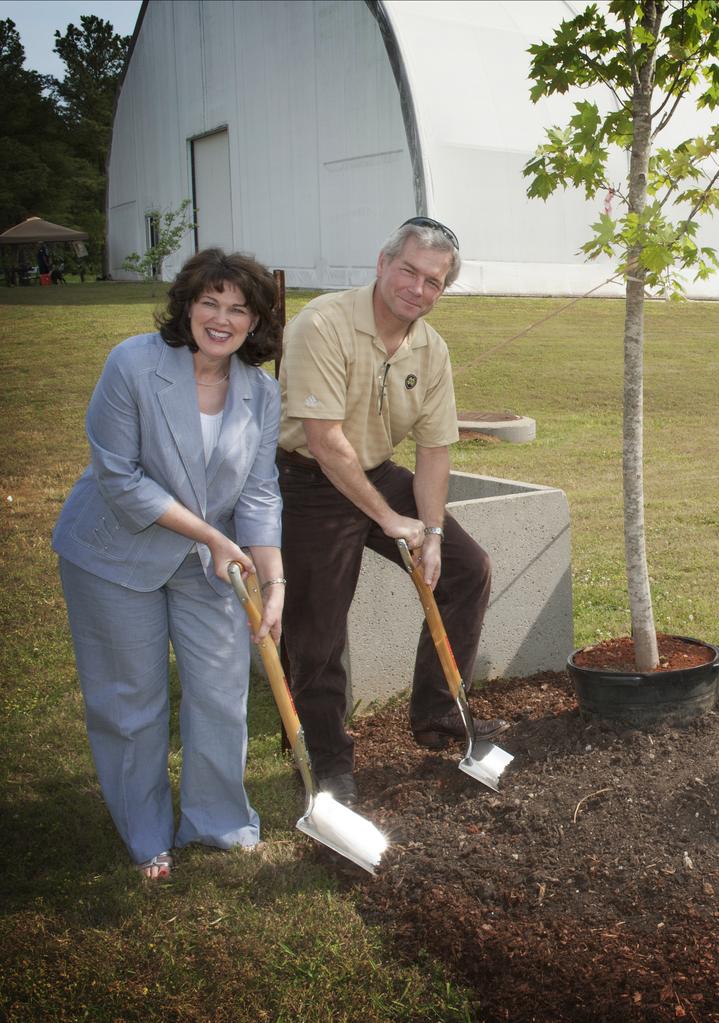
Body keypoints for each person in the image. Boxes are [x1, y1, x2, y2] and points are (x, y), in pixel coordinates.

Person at [54, 249, 284, 880]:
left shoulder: (261, 392)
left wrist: (275, 582)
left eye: (239, 308)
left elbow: (261, 491)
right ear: (186, 305)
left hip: (211, 560)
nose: (222, 318)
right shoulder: (132, 364)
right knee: (133, 698)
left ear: (256, 322)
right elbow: (120, 477)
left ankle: (217, 820)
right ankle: (146, 831)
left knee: (221, 691)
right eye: (210, 301)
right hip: (115, 553)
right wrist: (213, 536)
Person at [276, 216, 504, 807]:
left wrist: (429, 532)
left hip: (376, 471)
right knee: (318, 626)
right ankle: (326, 760)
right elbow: (325, 442)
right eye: (409, 271)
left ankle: (438, 716)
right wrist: (387, 518)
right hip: (307, 480)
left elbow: (434, 452)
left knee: (463, 568)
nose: (418, 288)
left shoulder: (431, 349)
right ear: (382, 265)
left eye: (433, 281)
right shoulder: (321, 323)